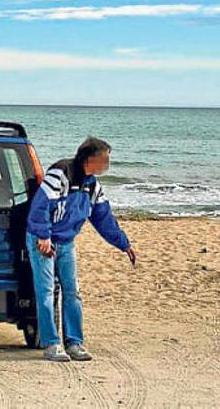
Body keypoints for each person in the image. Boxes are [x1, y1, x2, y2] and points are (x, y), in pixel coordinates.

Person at [26, 136, 137, 362]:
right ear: (90, 158)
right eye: (104, 159)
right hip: (43, 240)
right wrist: (43, 236)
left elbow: (103, 217)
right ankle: (51, 344)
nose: (107, 164)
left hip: (66, 242)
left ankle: (74, 342)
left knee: (72, 292)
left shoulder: (92, 184)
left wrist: (123, 243)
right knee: (46, 292)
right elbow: (40, 206)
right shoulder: (60, 174)